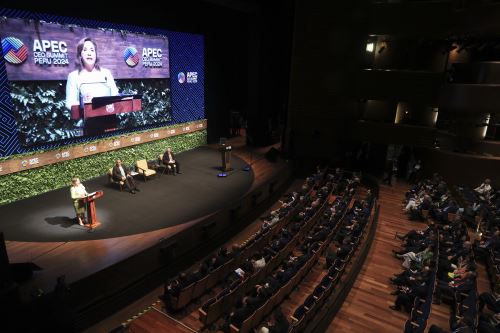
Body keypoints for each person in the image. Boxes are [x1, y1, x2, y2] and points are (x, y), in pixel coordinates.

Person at [65, 37, 119, 136]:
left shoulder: (106, 73)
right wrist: (83, 103)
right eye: (85, 50)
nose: (89, 53)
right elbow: (69, 103)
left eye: (92, 50)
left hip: (110, 122)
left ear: (96, 54)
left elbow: (115, 95)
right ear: (80, 55)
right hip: (88, 125)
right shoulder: (73, 76)